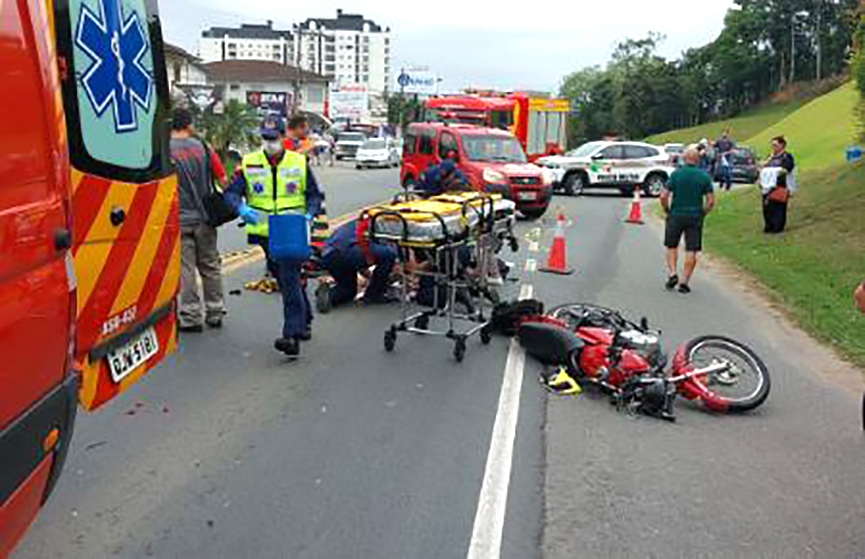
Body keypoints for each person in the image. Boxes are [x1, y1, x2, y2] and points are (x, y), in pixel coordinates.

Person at [225, 116, 324, 357]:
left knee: (288, 280)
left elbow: (313, 195)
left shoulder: (298, 162)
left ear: (283, 137)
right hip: (264, 233)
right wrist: (240, 208)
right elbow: (231, 193)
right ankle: (305, 319)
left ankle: (291, 335)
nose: (269, 143)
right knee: (284, 278)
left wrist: (310, 215)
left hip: (291, 229)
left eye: (274, 138)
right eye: (265, 139)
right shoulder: (249, 163)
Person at [170, 108, 228, 333]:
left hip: (178, 219)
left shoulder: (164, 151)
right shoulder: (203, 147)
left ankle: (191, 316)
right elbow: (222, 179)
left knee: (186, 269)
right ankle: (215, 311)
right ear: (188, 124)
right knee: (210, 265)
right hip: (205, 217)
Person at [660, 146, 716, 294]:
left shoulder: (676, 175)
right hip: (695, 216)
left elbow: (663, 196)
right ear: (698, 160)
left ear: (684, 159)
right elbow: (710, 201)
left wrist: (667, 209)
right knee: (691, 249)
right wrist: (703, 212)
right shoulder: (704, 177)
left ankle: (673, 273)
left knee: (672, 246)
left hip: (676, 214)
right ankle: (684, 281)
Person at [316, 217, 398, 311]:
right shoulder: (387, 227)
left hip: (329, 253)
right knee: (389, 255)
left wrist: (371, 276)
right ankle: (374, 295)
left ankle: (329, 295)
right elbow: (367, 254)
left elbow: (363, 257)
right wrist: (380, 279)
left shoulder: (357, 223)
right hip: (348, 251)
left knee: (348, 290)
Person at [761, 136, 796, 234]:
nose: (773, 147)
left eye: (775, 145)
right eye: (772, 145)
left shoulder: (787, 156)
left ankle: (777, 227)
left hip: (780, 187)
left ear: (782, 145)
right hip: (767, 187)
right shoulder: (770, 156)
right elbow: (762, 166)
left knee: (778, 208)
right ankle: (768, 226)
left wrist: (774, 172)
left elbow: (787, 168)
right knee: (767, 207)